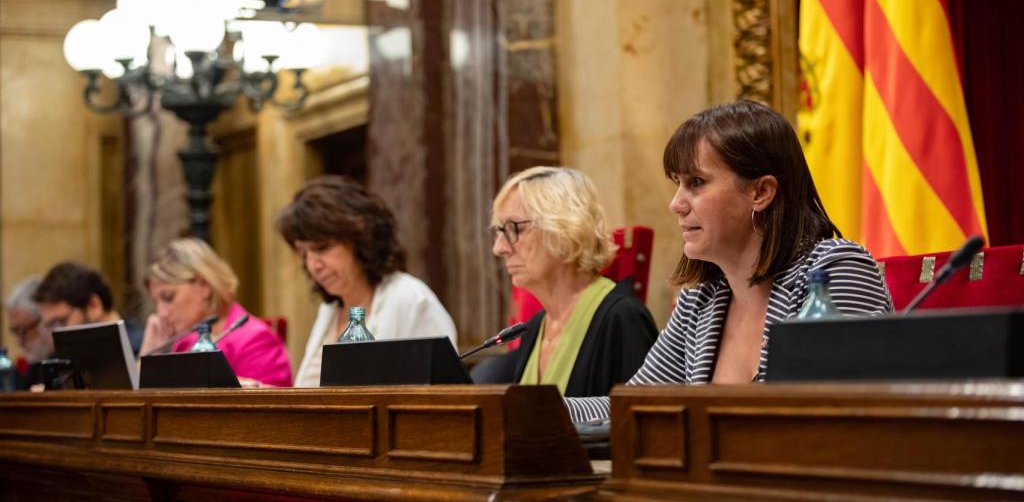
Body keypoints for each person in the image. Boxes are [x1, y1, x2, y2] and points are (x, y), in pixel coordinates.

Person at [566, 101, 894, 422]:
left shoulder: (834, 270)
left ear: (761, 192)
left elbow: (839, 417)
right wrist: (528, 409)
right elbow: (630, 408)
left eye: (696, 182)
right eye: (677, 184)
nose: (676, 204)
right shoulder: (700, 302)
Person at [489, 166, 658, 397]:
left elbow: (642, 425)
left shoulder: (622, 318)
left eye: (513, 228)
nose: (499, 248)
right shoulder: (536, 327)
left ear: (563, 227)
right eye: (499, 231)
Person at [276, 176, 458, 387]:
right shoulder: (330, 309)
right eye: (303, 253)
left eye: (322, 247)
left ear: (361, 239)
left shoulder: (411, 300)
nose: (313, 265)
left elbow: (443, 398)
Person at [139, 238, 292, 387]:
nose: (161, 313)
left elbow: (269, 408)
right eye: (156, 301)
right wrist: (148, 357)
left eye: (168, 297)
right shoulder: (182, 341)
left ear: (204, 286)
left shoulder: (257, 341)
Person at [34, 262, 144, 355]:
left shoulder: (142, 350)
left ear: (93, 305)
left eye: (60, 322)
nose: (55, 338)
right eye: (49, 327)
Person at [4, 276, 52, 389]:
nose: (19, 342)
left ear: (45, 321)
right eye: (15, 332)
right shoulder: (32, 368)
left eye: (23, 331)